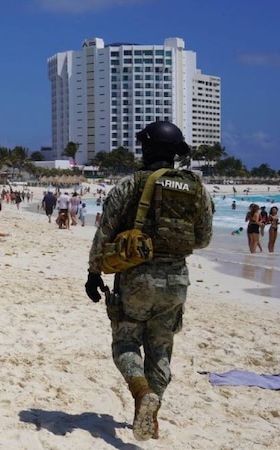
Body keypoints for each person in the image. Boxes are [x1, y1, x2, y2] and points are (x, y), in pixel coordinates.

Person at [85, 121, 213, 441]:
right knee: (161, 350)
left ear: (147, 148)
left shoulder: (131, 185)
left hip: (136, 277)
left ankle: (142, 395)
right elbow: (203, 238)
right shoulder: (196, 187)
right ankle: (151, 418)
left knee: (126, 343)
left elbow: (106, 233)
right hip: (177, 279)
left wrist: (93, 273)